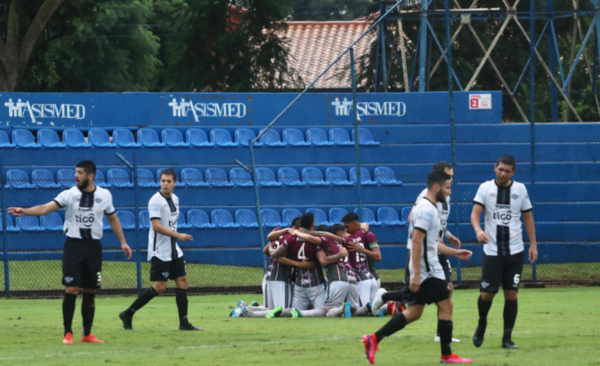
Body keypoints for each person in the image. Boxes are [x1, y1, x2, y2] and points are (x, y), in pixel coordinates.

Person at [8, 160, 132, 345]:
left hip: (94, 247)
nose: (76, 176)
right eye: (75, 172)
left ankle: (87, 334)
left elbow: (113, 218)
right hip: (74, 247)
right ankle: (68, 333)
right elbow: (44, 209)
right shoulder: (69, 194)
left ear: (91, 176)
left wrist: (123, 241)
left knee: (90, 290)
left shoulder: (104, 195)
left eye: (80, 172)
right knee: (72, 289)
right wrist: (25, 211)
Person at [362, 170, 473, 365]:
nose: (449, 192)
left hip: (427, 266)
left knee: (415, 312)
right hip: (427, 268)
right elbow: (416, 241)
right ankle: (446, 355)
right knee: (446, 304)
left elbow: (430, 241)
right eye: (447, 188)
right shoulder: (426, 209)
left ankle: (374, 339)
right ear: (436, 187)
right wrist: (417, 274)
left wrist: (454, 252)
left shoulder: (430, 207)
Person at [119, 168, 201, 331]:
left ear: (175, 183)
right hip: (160, 249)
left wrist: (176, 237)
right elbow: (156, 226)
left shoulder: (176, 199)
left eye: (169, 181)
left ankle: (184, 323)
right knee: (160, 286)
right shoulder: (155, 200)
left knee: (182, 281)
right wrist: (178, 235)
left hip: (173, 248)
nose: (165, 184)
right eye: (163, 180)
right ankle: (128, 312)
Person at [471, 155, 538, 349]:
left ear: (513, 172)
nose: (503, 173)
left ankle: (507, 338)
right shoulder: (485, 188)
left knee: (511, 295)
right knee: (487, 294)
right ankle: (482, 323)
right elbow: (475, 215)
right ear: (495, 168)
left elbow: (528, 218)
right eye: (500, 169)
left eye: (507, 171)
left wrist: (533, 245)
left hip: (515, 251)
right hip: (492, 251)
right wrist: (478, 230)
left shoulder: (520, 189)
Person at [341, 213, 381, 307]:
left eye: (347, 227)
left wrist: (361, 249)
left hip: (370, 276)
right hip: (361, 277)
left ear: (355, 225)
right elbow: (365, 224)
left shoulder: (369, 236)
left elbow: (378, 256)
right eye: (344, 227)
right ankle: (389, 306)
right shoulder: (352, 238)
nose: (346, 230)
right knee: (372, 309)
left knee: (362, 309)